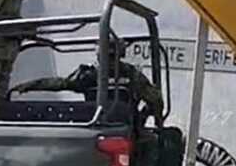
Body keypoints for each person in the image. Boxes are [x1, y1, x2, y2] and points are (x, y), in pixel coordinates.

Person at [10, 39, 164, 128]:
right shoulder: (90, 75)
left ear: (119, 55)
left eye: (111, 56)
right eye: (105, 56)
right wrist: (31, 85)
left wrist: (142, 118)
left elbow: (155, 99)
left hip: (124, 127)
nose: (108, 60)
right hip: (96, 126)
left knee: (150, 147)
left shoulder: (132, 75)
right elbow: (61, 83)